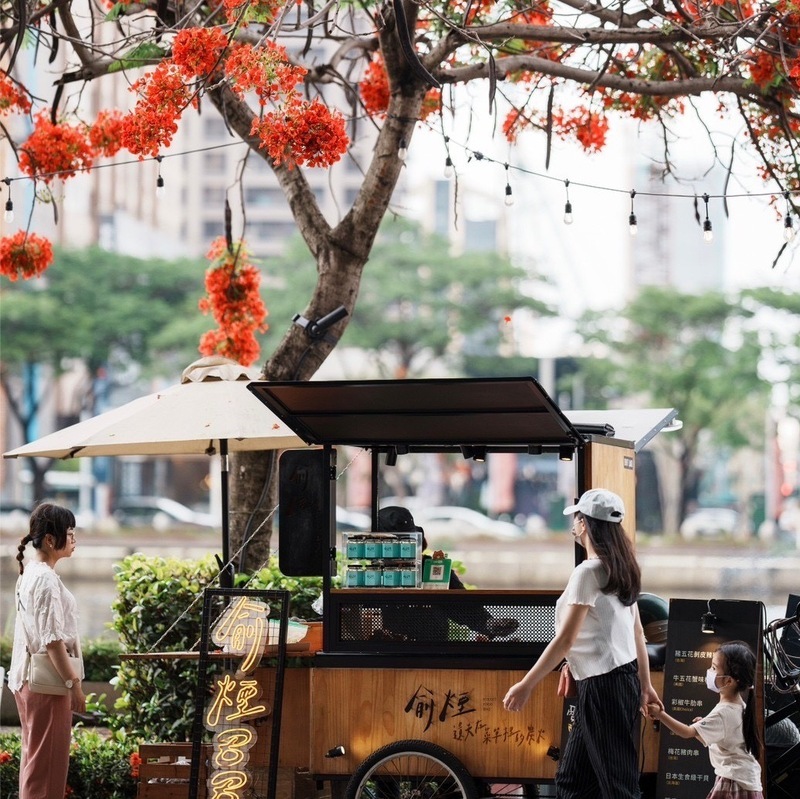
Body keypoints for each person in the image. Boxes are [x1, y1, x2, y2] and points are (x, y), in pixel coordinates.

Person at [503, 488, 661, 799]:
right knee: (572, 782)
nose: (574, 524)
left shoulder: (587, 572)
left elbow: (565, 640)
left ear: (585, 524)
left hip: (603, 687)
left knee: (617, 788)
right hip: (617, 681)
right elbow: (636, 633)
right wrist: (644, 685)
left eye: (576, 517)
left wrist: (526, 684)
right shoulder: (621, 567)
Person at [9, 502, 86, 799]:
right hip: (48, 685)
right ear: (51, 540)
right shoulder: (45, 578)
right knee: (47, 769)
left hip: (29, 680)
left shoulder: (30, 572)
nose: (74, 539)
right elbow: (52, 641)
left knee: (35, 765)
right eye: (70, 533)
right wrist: (74, 685)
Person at [376, 506, 519, 641]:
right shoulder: (371, 574)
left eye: (408, 542)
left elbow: (462, 605)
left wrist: (489, 624)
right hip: (386, 649)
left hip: (433, 650)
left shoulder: (432, 568)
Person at [647, 640, 763, 799]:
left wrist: (659, 714)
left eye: (714, 668)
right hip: (745, 780)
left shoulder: (723, 712)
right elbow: (726, 738)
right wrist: (702, 728)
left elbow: (686, 732)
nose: (709, 671)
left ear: (729, 681)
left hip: (733, 782)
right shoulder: (740, 706)